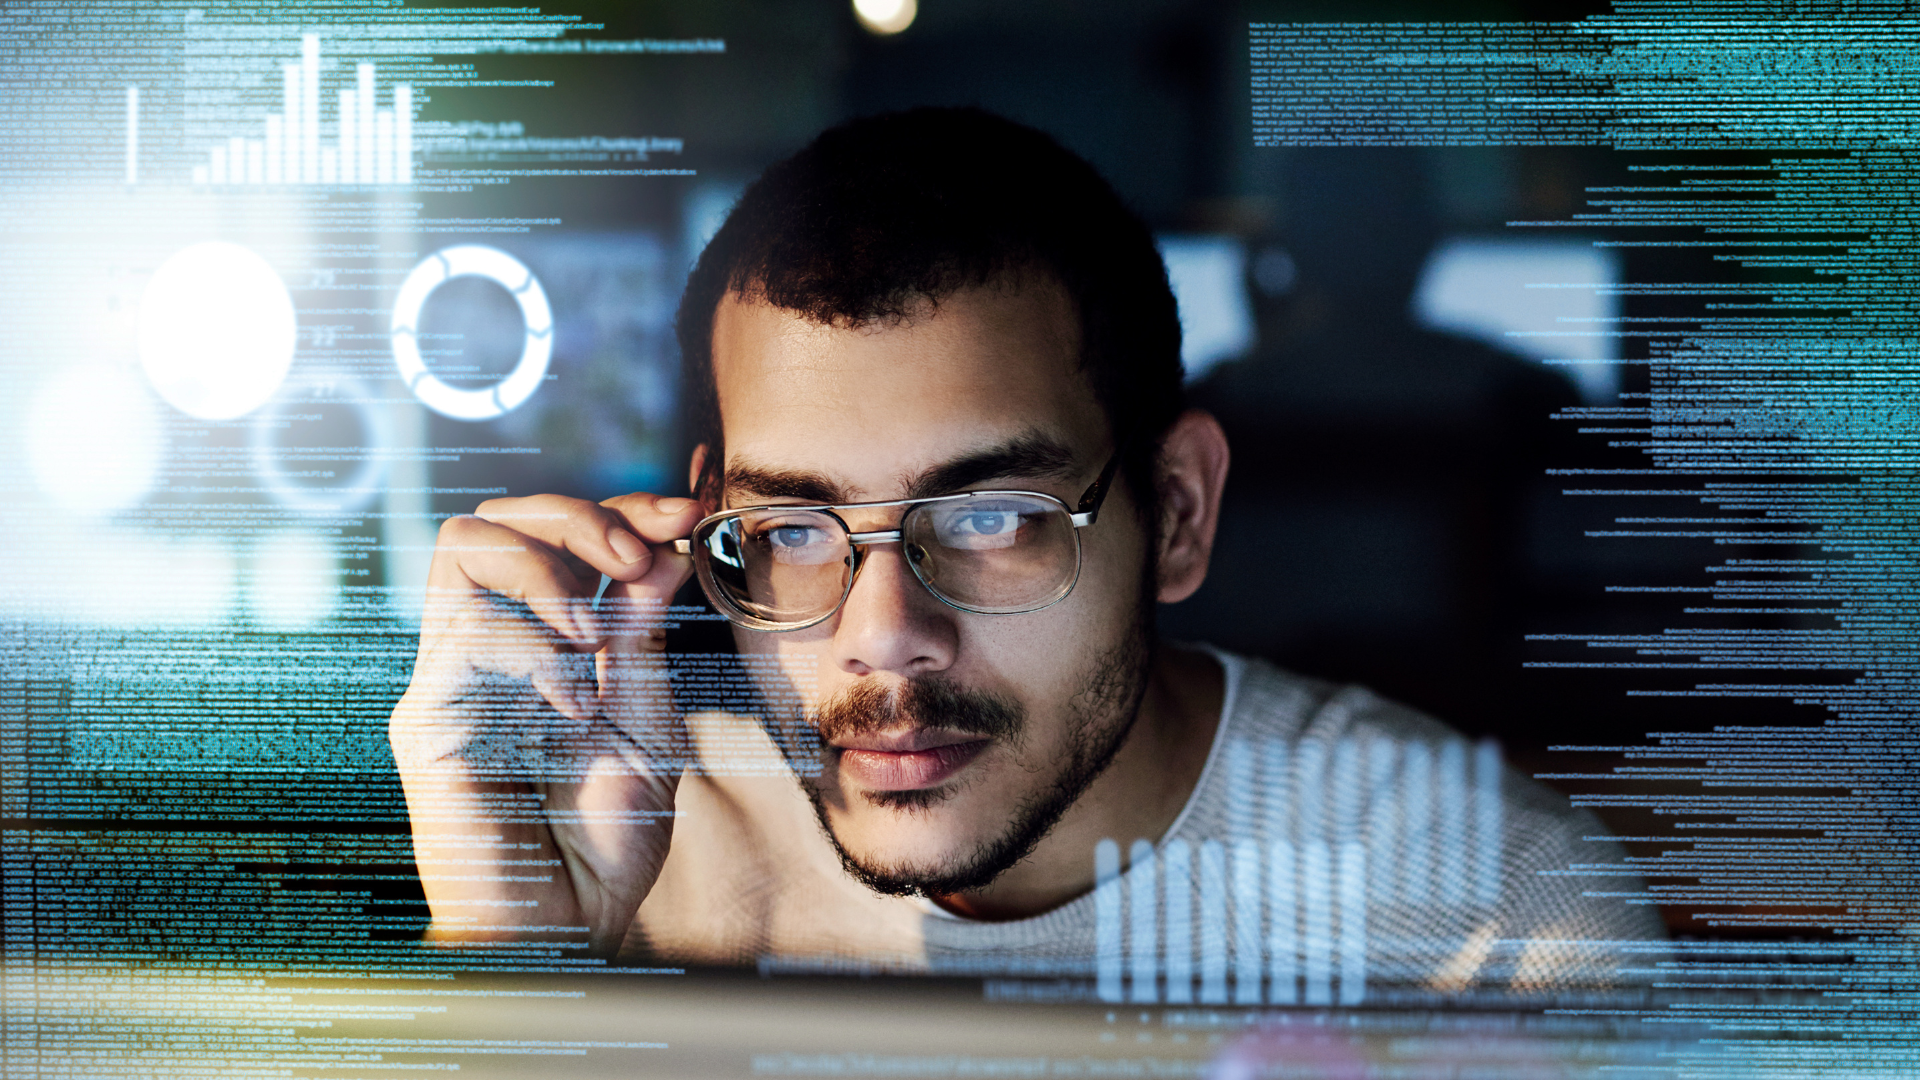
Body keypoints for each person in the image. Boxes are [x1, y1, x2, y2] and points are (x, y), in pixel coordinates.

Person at [389, 107, 1660, 998]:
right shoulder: (643, 832)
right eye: (792, 531)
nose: (882, 634)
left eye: (991, 516)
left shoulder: (1482, 924)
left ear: (1178, 513)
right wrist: (512, 961)